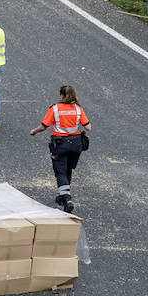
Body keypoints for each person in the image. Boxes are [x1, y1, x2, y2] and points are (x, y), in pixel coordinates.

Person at [30, 84, 89, 212]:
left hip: (61, 145)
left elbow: (44, 126)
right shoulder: (78, 109)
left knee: (60, 172)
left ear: (62, 95)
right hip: (76, 145)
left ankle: (67, 199)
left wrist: (34, 131)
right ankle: (62, 196)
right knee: (68, 170)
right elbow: (88, 127)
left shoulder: (55, 109)